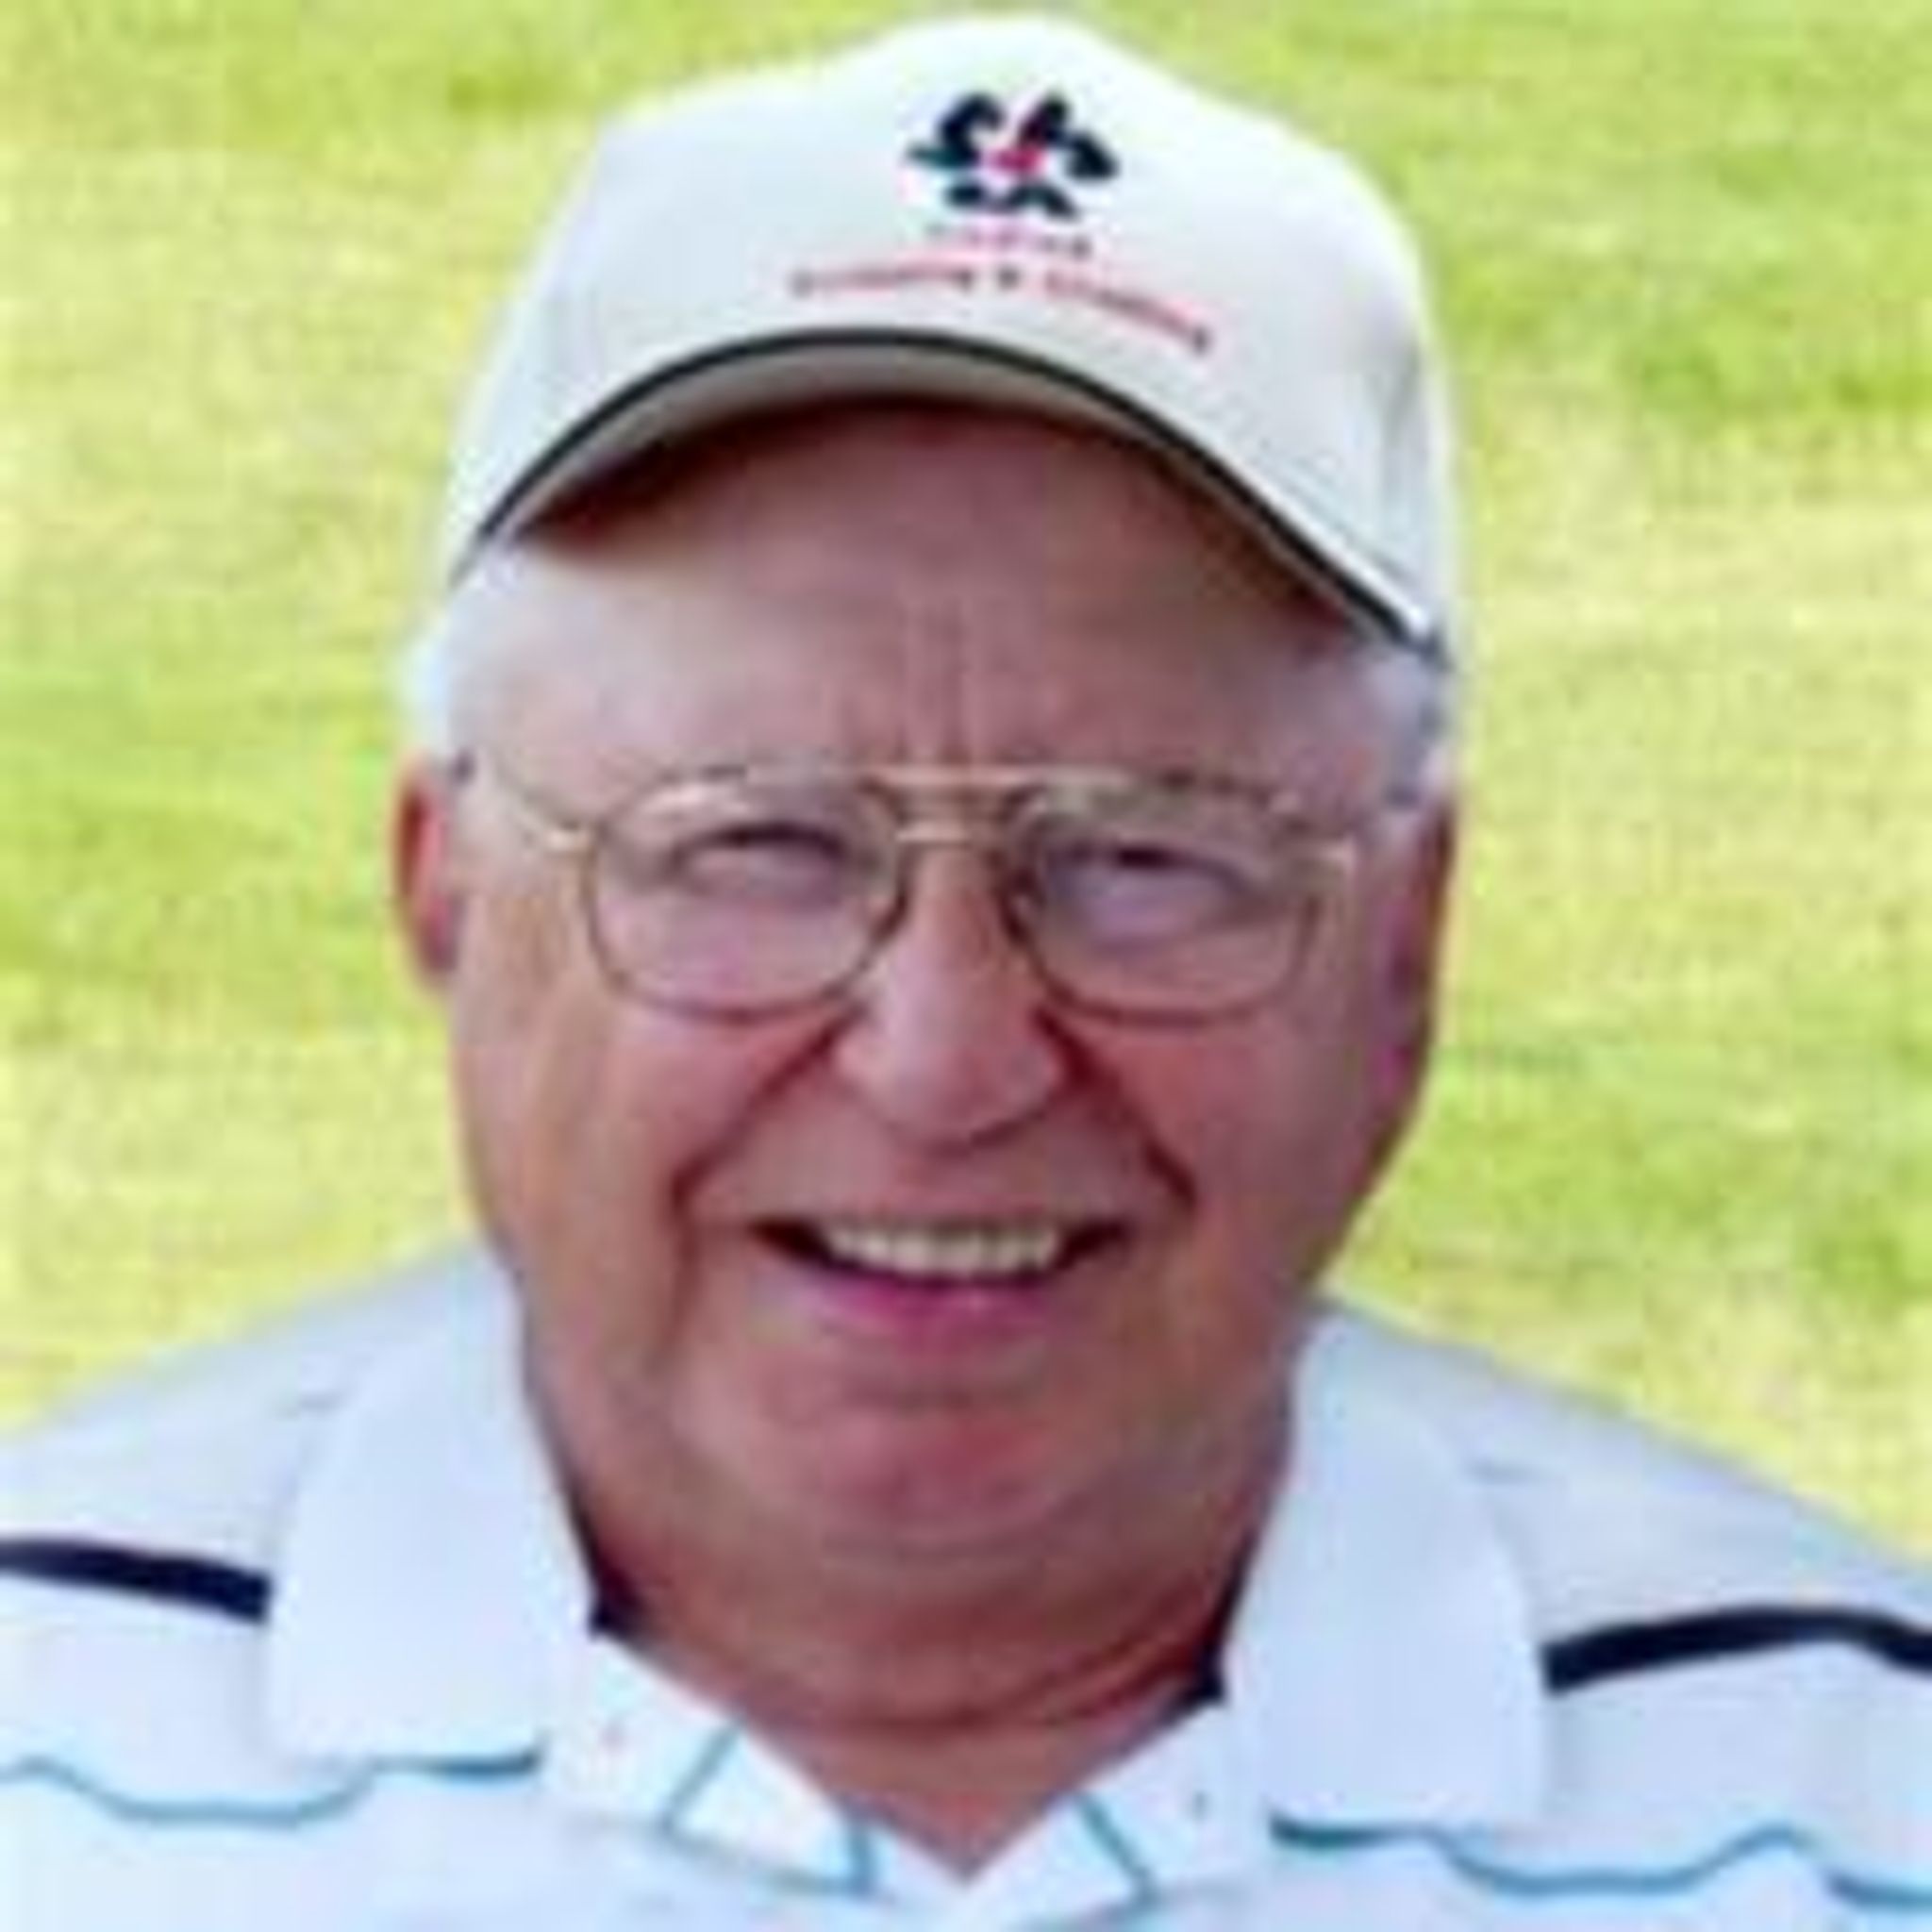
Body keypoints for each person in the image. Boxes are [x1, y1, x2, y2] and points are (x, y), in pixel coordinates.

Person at [3, 15, 1926, 1928]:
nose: (943, 1058)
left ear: (1407, 946)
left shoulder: (1850, 1813)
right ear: (444, 888)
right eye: (755, 842)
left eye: (1143, 858)